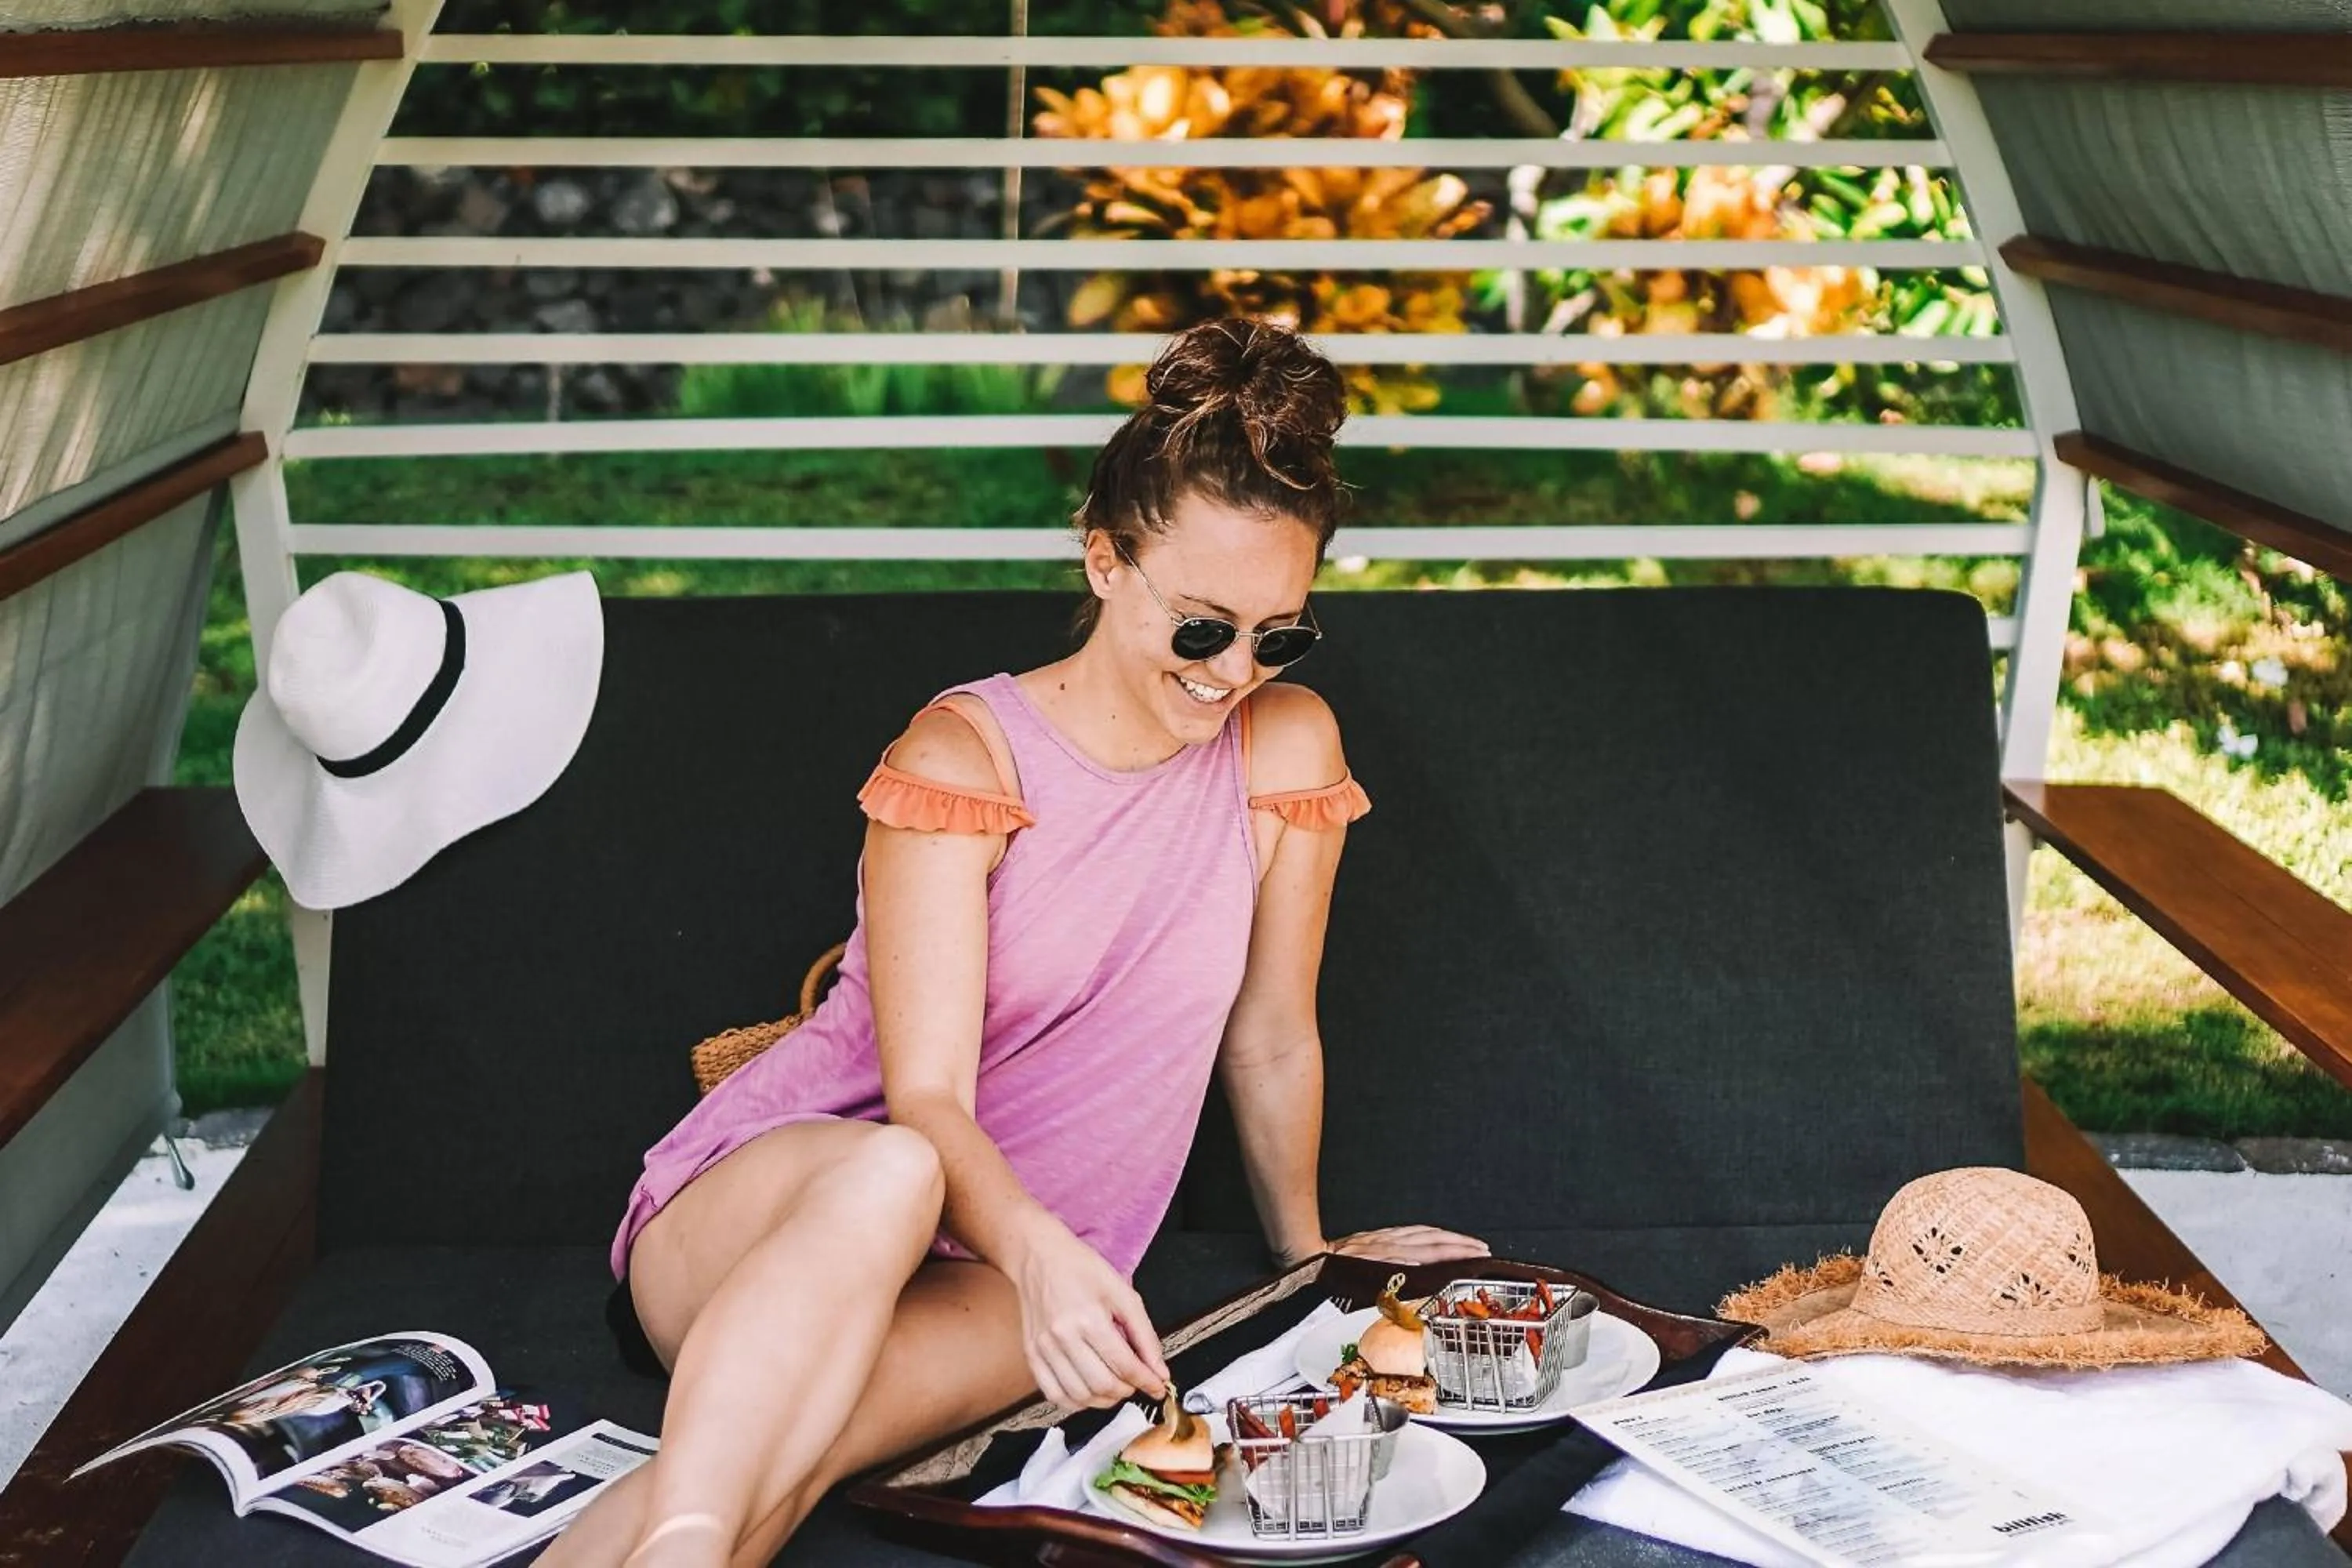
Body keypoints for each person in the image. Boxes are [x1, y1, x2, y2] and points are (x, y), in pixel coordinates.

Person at [546, 318, 1489, 1568]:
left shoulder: (1285, 750)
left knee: (796, 1446)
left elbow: (1268, 1038)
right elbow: (926, 1102)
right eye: (1202, 626)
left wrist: (1308, 1260)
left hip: (1009, 1273)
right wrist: (1044, 1256)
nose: (1235, 672)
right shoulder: (964, 761)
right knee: (896, 1175)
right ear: (1105, 560)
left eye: (1281, 634)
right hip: (777, 1220)